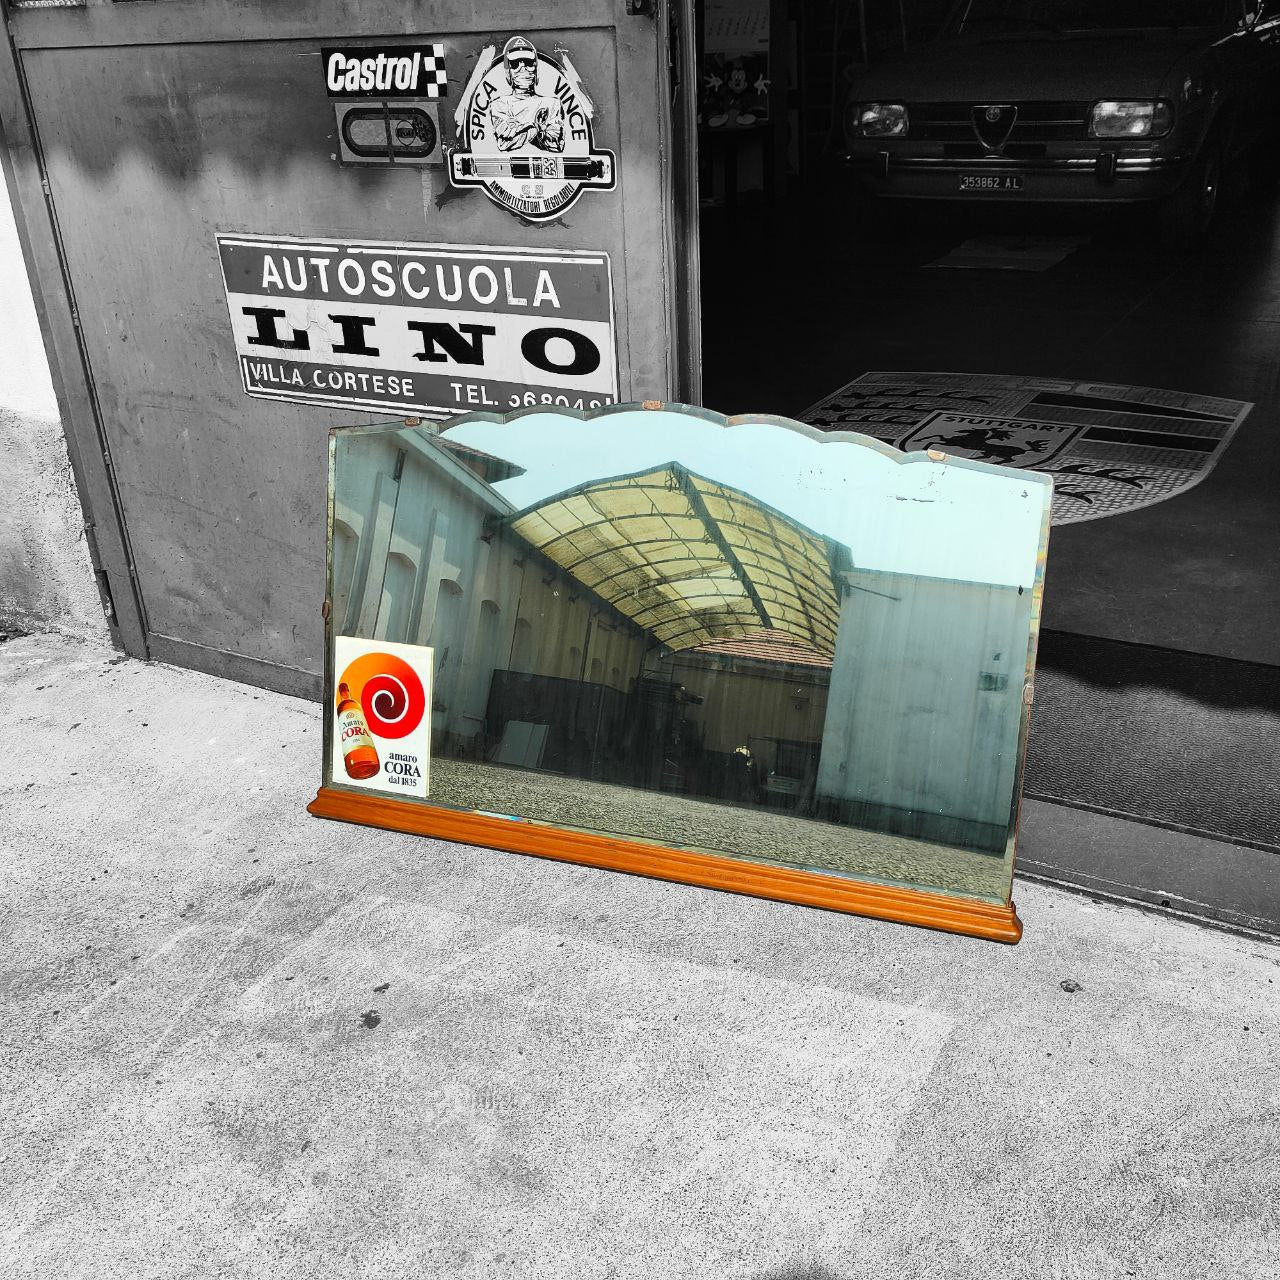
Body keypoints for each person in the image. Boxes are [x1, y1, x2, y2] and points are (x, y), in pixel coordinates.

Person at [489, 36, 565, 154]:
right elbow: (504, 142)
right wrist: (538, 127)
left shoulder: (553, 104)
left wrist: (519, 127)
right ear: (508, 71)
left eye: (528, 63)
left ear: (535, 68)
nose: (523, 68)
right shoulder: (499, 105)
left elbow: (555, 144)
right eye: (515, 64)